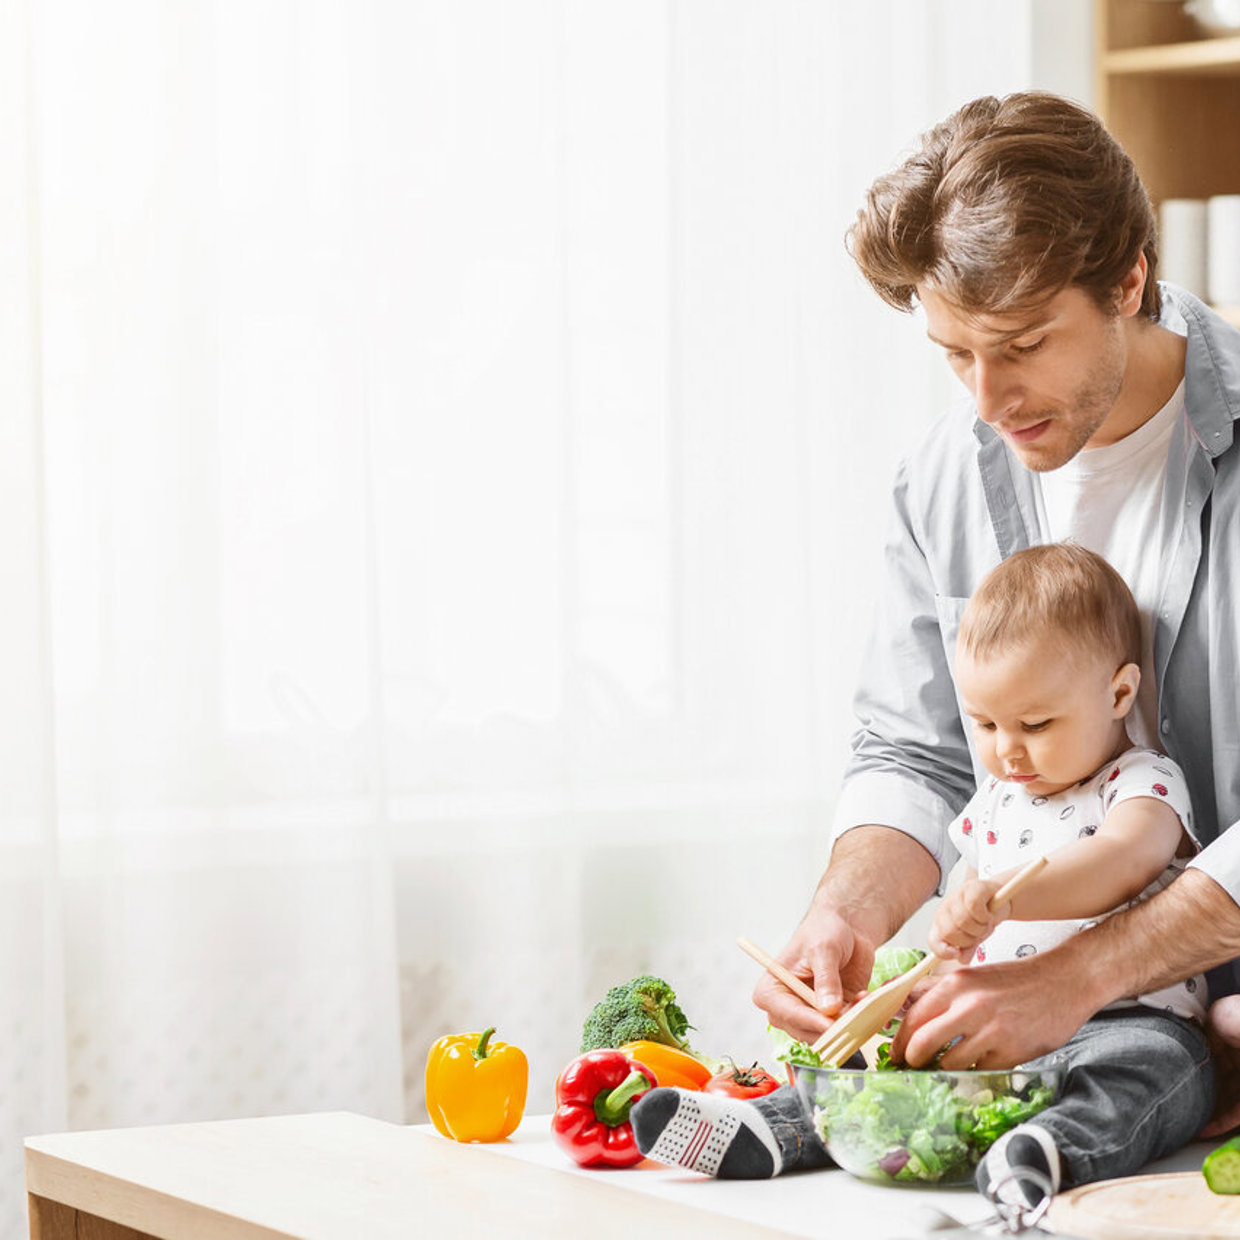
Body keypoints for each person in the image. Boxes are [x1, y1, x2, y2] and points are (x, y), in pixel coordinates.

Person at [749, 91, 1240, 1130]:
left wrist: (1079, 975)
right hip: (1040, 1031)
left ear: (1128, 280)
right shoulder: (944, 476)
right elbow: (914, 751)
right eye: (954, 353)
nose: (986, 400)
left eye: (1021, 343)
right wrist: (846, 913)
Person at [630, 545, 1214, 1204]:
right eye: (985, 723)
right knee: (894, 1069)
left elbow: (1125, 858)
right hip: (997, 1024)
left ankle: (1048, 1152)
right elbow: (962, 940)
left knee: (1154, 1071)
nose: (1007, 749)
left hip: (1128, 1018)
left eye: (1036, 723)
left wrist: (1007, 898)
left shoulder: (1141, 779)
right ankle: (771, 1128)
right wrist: (926, 986)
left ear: (1119, 693)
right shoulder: (996, 800)